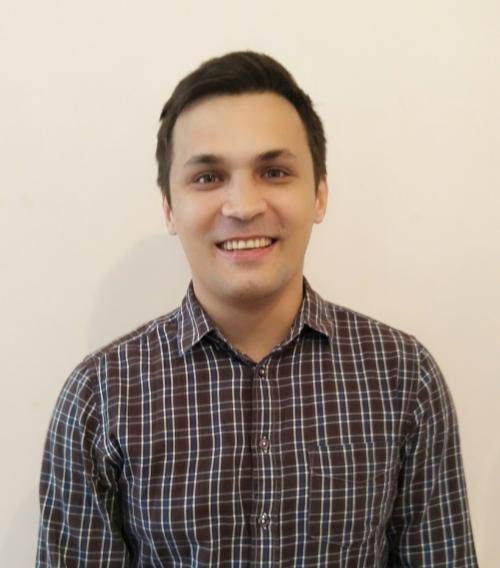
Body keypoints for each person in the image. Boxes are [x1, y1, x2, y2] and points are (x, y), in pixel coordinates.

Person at [36, 51, 478, 567]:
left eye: (274, 171)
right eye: (208, 177)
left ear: (319, 194)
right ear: (169, 207)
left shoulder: (403, 377)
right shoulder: (100, 396)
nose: (243, 206)